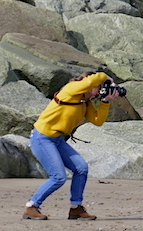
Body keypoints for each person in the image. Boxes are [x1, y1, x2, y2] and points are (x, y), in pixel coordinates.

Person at [22, 71, 119, 221]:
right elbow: (88, 82)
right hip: (42, 138)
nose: (100, 90)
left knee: (81, 168)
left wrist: (105, 101)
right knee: (58, 177)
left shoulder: (85, 101)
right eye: (98, 87)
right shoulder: (71, 89)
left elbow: (97, 120)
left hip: (57, 140)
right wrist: (106, 77)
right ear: (89, 83)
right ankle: (31, 206)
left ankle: (76, 208)